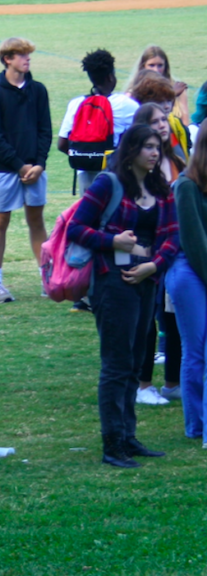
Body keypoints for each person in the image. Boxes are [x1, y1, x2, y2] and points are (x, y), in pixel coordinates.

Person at [67, 124, 179, 468]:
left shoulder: (161, 187)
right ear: (131, 150)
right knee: (117, 364)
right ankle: (112, 442)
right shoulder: (108, 184)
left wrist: (154, 266)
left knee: (135, 360)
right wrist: (112, 241)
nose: (155, 152)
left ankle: (129, 436)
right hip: (112, 282)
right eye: (147, 146)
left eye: (157, 147)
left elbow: (174, 237)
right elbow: (76, 227)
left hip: (146, 281)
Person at [0, 37, 52, 303]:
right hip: (5, 169)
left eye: (28, 54)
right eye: (21, 54)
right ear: (7, 59)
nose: (27, 58)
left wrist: (39, 164)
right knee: (1, 221)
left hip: (34, 168)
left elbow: (45, 130)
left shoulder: (39, 90)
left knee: (37, 221)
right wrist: (19, 164)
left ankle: (47, 279)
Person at [128, 105, 185, 406]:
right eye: (155, 122)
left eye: (164, 120)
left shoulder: (175, 159)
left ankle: (173, 382)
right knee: (147, 321)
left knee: (172, 319)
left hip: (171, 252)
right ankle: (143, 383)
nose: (163, 125)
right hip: (145, 253)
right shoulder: (136, 169)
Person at [166, 128, 207, 449]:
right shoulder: (186, 186)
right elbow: (195, 244)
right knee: (195, 350)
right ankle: (196, 425)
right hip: (188, 270)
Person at [57, 49, 139, 193]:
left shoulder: (76, 104)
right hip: (115, 174)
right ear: (110, 77)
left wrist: (86, 156)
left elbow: (62, 144)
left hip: (85, 175)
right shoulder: (124, 104)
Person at [129, 70, 191, 164]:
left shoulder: (176, 125)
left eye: (169, 100)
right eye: (161, 101)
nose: (167, 106)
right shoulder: (134, 135)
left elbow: (183, 159)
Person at [130, 45, 190, 126]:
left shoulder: (179, 88)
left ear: (166, 67)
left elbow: (185, 122)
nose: (156, 70)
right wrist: (171, 94)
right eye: (151, 65)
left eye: (160, 65)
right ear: (143, 67)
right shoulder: (133, 91)